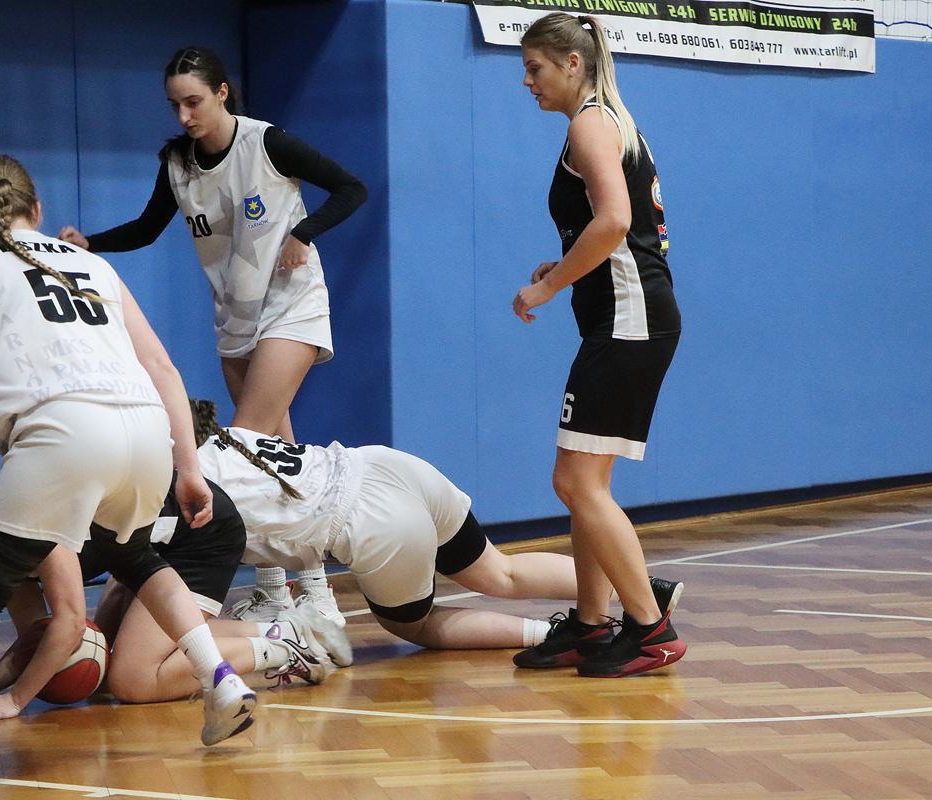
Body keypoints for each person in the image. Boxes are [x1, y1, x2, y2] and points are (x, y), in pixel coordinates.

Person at [0, 155, 255, 800]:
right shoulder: (94, 264)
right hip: (145, 431)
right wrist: (188, 468)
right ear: (38, 210)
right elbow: (164, 370)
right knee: (133, 555)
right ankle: (220, 681)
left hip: (64, 430)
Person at [59, 46, 367, 626]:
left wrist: (304, 231)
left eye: (194, 101)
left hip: (291, 307)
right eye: (175, 105)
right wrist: (90, 244)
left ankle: (306, 593)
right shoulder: (177, 162)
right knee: (274, 456)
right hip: (235, 318)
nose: (184, 116)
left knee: (240, 447)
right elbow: (148, 227)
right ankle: (288, 588)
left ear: (222, 92)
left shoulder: (267, 143)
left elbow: (351, 188)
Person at [192, 402, 681, 652]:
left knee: (416, 625)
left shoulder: (187, 492)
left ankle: (550, 634)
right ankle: (641, 590)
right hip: (385, 466)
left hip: (379, 524)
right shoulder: (226, 436)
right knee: (500, 572)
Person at [509, 13, 686, 678]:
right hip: (627, 318)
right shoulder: (605, 119)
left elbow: (613, 221)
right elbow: (611, 229)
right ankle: (589, 623)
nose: (527, 81)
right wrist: (562, 266)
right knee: (587, 483)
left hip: (629, 321)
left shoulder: (590, 124)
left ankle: (650, 628)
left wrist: (549, 285)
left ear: (572, 63)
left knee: (574, 481)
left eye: (534, 68)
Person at [0, 473, 347, 711]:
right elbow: (40, 640)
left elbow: (69, 627)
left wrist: (13, 699)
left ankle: (285, 649)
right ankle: (285, 628)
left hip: (196, 533)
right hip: (143, 546)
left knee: (133, 678)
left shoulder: (32, 525)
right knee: (103, 667)